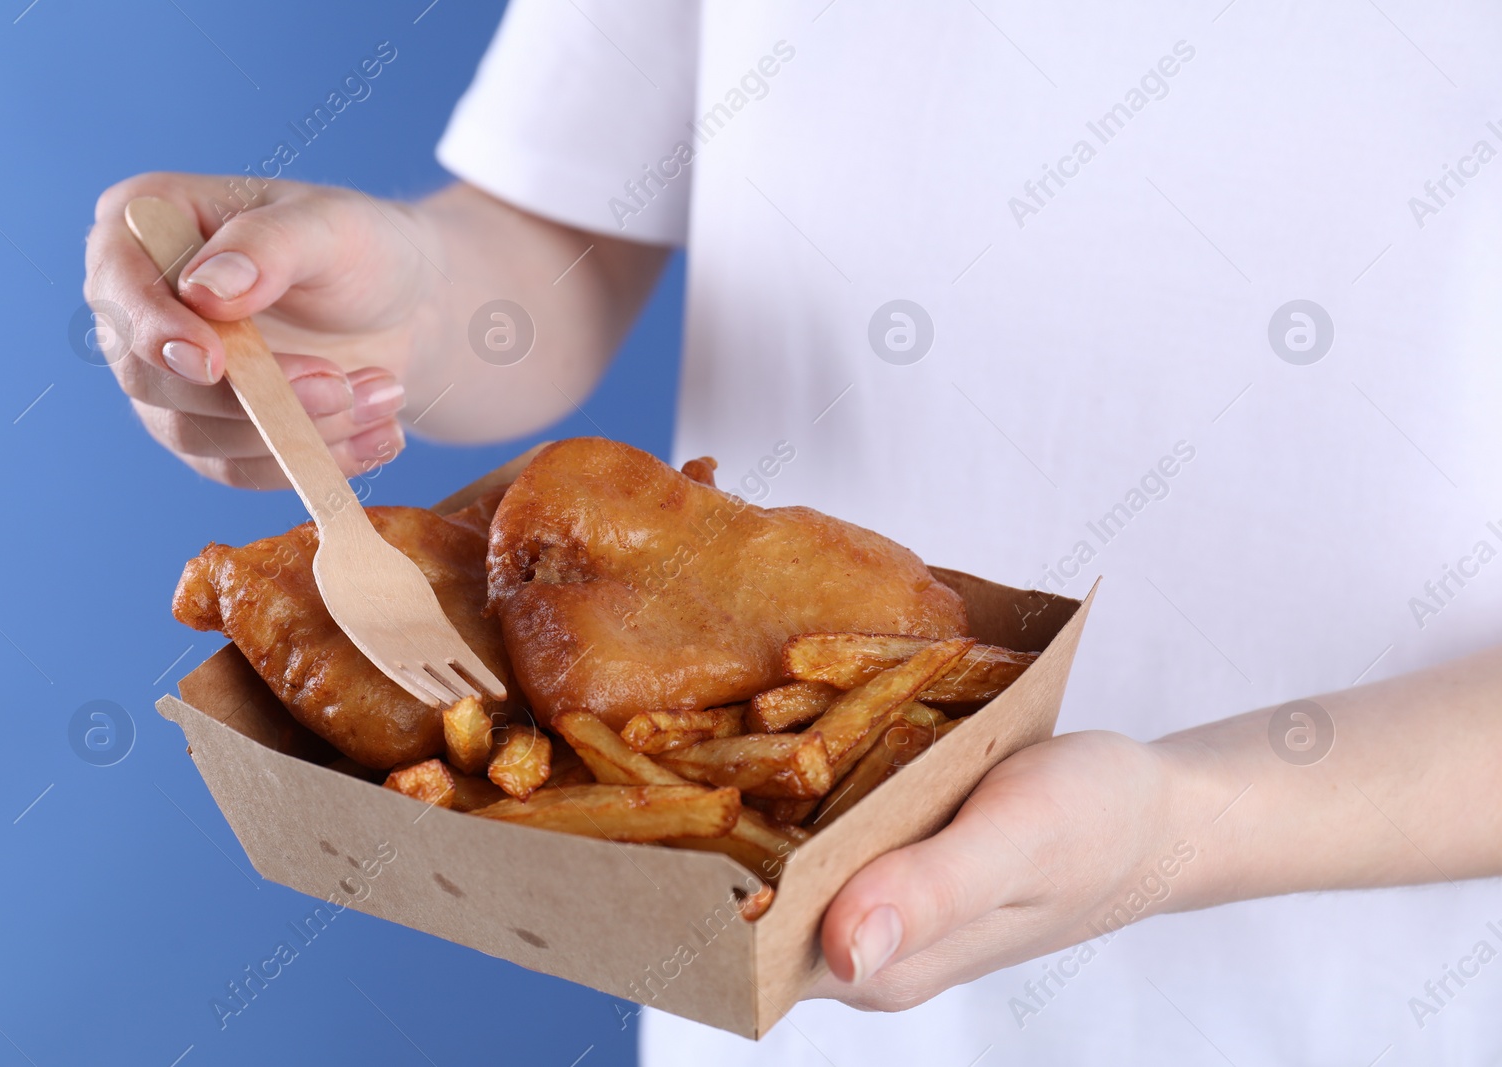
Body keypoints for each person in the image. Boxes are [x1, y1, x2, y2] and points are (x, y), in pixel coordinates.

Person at [85, 3, 1502, 1063]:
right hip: (778, 979)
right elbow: (551, 247)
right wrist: (389, 315)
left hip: (1367, 1004)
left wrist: (1182, 828)